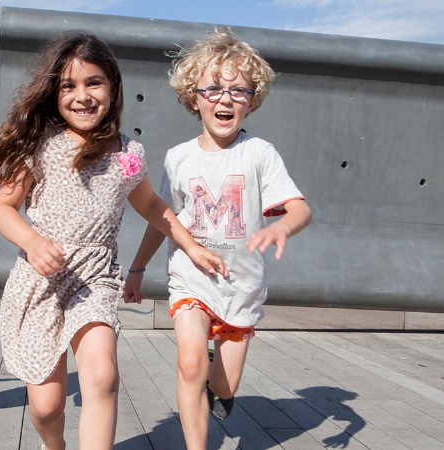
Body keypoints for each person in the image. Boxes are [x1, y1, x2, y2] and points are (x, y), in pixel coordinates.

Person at [0, 31, 227, 450]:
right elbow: (3, 208)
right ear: (54, 93)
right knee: (46, 408)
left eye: (94, 82)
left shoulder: (128, 153)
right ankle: (54, 445)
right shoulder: (38, 146)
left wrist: (193, 245)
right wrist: (33, 242)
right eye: (68, 86)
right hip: (40, 283)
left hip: (96, 280)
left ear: (113, 87)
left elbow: (152, 206)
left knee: (103, 376)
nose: (82, 95)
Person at [123, 29, 312, 450]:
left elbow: (300, 209)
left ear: (252, 100)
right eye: (213, 88)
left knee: (224, 385)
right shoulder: (178, 157)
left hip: (240, 286)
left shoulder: (260, 153)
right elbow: (163, 220)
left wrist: (282, 225)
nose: (225, 99)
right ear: (194, 98)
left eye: (238, 91)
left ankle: (219, 390)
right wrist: (136, 270)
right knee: (190, 363)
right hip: (191, 278)